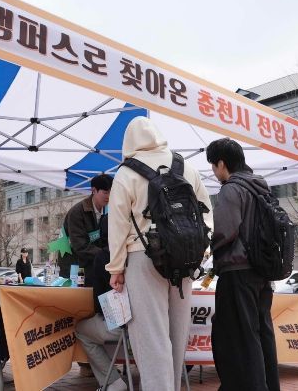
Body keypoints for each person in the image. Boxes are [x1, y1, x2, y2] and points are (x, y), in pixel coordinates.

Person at [106, 117, 212, 391]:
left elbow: (117, 226)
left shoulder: (126, 173)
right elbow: (206, 213)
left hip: (143, 257)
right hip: (185, 258)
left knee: (151, 336)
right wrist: (200, 250)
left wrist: (115, 268)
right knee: (177, 333)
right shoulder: (186, 167)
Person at [206, 138, 280, 391]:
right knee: (262, 334)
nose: (214, 173)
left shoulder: (231, 190)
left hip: (237, 271)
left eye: (213, 166)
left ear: (222, 164)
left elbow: (224, 231)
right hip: (262, 271)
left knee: (239, 338)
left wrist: (210, 248)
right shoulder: (261, 187)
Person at [75, 215, 129, 391]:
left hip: (122, 326)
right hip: (150, 327)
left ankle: (113, 382)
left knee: (81, 329)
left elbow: (99, 304)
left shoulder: (103, 256)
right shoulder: (139, 253)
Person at [60, 174, 113, 284]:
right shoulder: (77, 212)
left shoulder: (109, 211)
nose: (109, 196)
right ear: (94, 190)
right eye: (105, 192)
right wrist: (106, 255)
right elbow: (80, 246)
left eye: (111, 192)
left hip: (97, 267)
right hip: (75, 269)